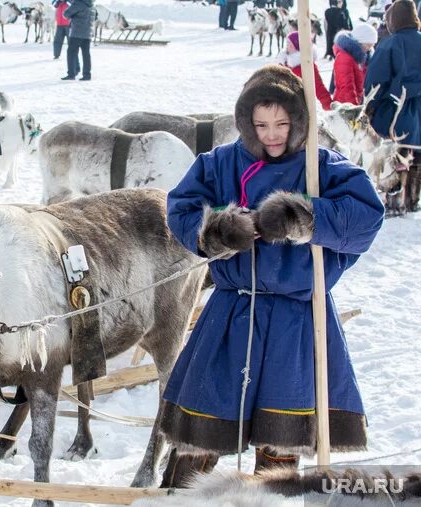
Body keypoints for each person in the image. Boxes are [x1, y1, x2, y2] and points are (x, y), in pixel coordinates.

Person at [159, 64, 384, 488]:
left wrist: (304, 216)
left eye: (282, 123)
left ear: (300, 121)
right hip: (232, 313)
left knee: (282, 433)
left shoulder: (322, 165)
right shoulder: (221, 162)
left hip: (296, 319)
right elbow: (181, 209)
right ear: (246, 123)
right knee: (203, 423)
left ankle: (273, 497)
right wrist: (216, 230)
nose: (272, 134)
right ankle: (177, 496)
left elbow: (367, 218)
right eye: (260, 124)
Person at [364, 0, 421, 213]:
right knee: (416, 155)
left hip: (395, 112)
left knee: (394, 154)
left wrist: (370, 107)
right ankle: (412, 201)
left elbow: (375, 82)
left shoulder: (390, 44)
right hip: (418, 112)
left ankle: (394, 202)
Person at [279, 32, 333, 110]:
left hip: (300, 107)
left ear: (297, 45)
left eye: (289, 43)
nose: (287, 46)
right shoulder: (285, 62)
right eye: (287, 42)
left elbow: (319, 88)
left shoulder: (307, 65)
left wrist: (329, 107)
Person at [332, 24, 377, 104]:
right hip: (345, 106)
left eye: (372, 46)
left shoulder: (364, 57)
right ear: (359, 42)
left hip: (358, 102)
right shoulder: (344, 57)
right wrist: (354, 108)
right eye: (368, 45)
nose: (369, 49)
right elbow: (347, 86)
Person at [62, 0, 95, 81]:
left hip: (77, 32)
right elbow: (95, 17)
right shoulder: (92, 5)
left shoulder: (78, 3)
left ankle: (71, 74)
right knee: (86, 54)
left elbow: (66, 14)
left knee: (71, 52)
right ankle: (87, 75)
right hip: (88, 33)